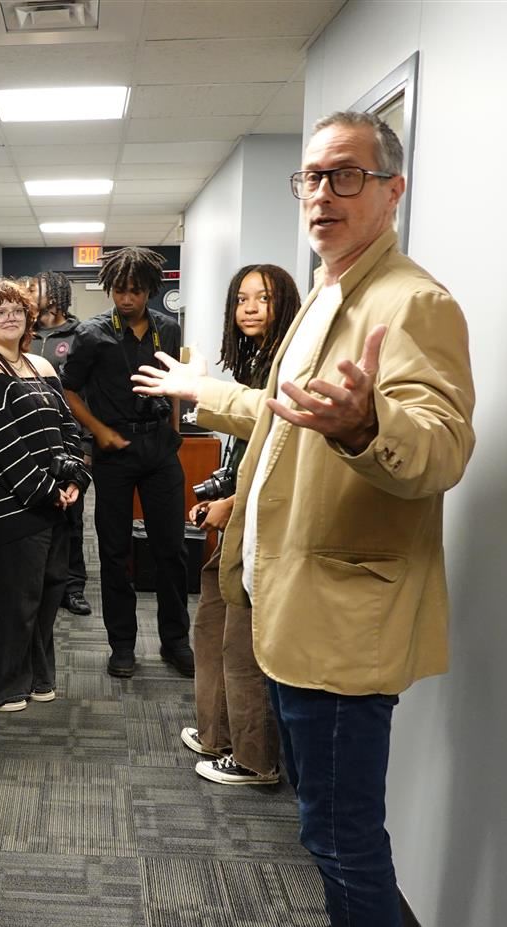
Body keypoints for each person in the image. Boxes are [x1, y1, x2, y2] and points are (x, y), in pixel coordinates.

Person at [133, 111, 475, 927]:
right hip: (292, 604)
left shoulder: (414, 303)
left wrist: (371, 422)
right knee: (326, 822)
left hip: (343, 622)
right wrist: (207, 392)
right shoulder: (331, 290)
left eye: (346, 176)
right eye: (313, 177)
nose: (322, 193)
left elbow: (440, 449)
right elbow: (288, 422)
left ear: (393, 189)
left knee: (340, 829)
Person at [181, 264, 300, 787]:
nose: (250, 308)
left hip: (264, 526)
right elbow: (242, 450)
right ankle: (217, 734)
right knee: (211, 624)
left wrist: (236, 503)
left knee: (242, 642)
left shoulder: (288, 364)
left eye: (264, 299)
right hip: (236, 514)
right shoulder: (254, 363)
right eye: (242, 299)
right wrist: (219, 494)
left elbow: (280, 452)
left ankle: (254, 759)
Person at [0, 279, 89, 711]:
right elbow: (0, 443)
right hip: (10, 503)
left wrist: (73, 479)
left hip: (55, 500)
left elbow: (69, 428)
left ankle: (34, 676)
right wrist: (46, 489)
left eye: (16, 309)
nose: (10, 317)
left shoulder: (41, 366)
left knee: (48, 593)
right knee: (13, 599)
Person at [62, 247, 194, 679]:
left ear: (151, 291)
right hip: (113, 454)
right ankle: (122, 645)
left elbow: (174, 384)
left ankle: (176, 642)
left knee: (171, 550)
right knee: (115, 553)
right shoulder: (92, 334)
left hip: (159, 451)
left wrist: (173, 428)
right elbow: (70, 392)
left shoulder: (168, 329)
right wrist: (98, 432)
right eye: (119, 290)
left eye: (135, 291)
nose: (126, 299)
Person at [29, 270, 91, 616]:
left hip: (68, 439)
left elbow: (85, 394)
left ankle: (73, 586)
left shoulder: (79, 335)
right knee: (39, 513)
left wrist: (86, 446)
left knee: (73, 516)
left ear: (53, 294)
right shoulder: (24, 333)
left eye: (34, 288)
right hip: (32, 440)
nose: (29, 293)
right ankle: (42, 581)